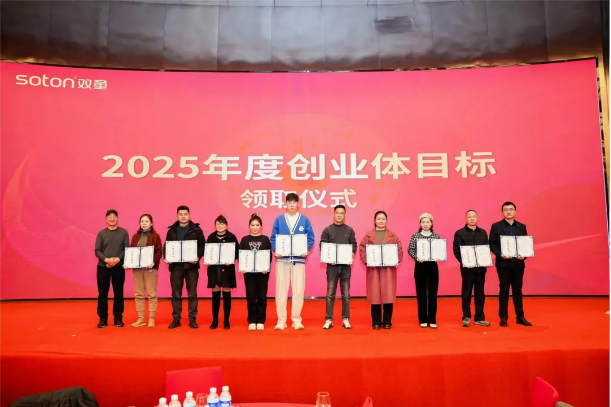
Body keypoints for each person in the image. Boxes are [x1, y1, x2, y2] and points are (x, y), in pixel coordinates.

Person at [270, 193, 315, 330]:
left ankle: (296, 319)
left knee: (298, 289)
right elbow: (273, 238)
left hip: (298, 260)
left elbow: (310, 238)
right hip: (282, 260)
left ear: (297, 204)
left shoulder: (304, 219)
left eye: (294, 202)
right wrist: (276, 250)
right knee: (281, 290)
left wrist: (305, 250)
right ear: (286, 204)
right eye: (289, 202)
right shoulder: (279, 220)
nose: (291, 205)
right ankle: (281, 320)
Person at [489, 201, 532, 327]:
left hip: (518, 264)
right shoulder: (496, 226)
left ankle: (520, 316)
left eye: (511, 209)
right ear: (502, 212)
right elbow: (492, 244)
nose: (508, 211)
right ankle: (503, 317)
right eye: (506, 210)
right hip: (503, 264)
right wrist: (501, 254)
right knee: (504, 290)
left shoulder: (521, 227)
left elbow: (525, 244)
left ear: (515, 211)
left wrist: (524, 255)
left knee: (518, 291)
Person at [358, 211, 404, 330]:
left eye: (383, 219)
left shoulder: (393, 236)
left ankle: (387, 321)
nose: (381, 221)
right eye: (378, 219)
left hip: (388, 270)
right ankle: (376, 321)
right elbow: (362, 249)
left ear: (386, 220)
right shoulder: (368, 236)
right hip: (373, 270)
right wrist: (367, 261)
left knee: (388, 295)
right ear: (374, 220)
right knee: (375, 296)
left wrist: (395, 260)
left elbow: (399, 250)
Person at [164, 205, 206, 329]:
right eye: (180, 214)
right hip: (176, 267)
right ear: (177, 216)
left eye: (185, 214)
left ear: (189, 215)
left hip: (191, 267)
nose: (183, 216)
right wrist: (167, 257)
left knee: (192, 294)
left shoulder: (196, 229)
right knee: (176, 294)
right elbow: (167, 246)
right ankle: (176, 319)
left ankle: (192, 319)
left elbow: (203, 246)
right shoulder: (172, 230)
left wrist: (197, 257)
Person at [320, 205, 357, 330]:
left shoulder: (349, 230)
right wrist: (329, 259)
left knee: (346, 295)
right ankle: (328, 319)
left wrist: (350, 256)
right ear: (334, 214)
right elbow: (323, 246)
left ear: (345, 215)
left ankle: (345, 319)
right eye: (337, 213)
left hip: (346, 267)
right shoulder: (327, 229)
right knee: (330, 294)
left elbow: (354, 245)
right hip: (332, 267)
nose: (339, 215)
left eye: (342, 213)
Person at [452, 210, 491, 327]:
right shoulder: (460, 233)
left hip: (480, 269)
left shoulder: (483, 232)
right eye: (470, 217)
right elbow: (457, 250)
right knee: (466, 292)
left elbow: (486, 249)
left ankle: (479, 317)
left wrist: (485, 261)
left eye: (474, 216)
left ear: (477, 218)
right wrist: (465, 262)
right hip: (467, 269)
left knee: (480, 292)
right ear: (466, 219)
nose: (472, 219)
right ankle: (466, 316)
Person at [94, 209, 130, 328]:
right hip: (103, 267)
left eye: (114, 216)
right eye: (110, 217)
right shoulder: (101, 233)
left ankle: (118, 318)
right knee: (102, 293)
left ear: (117, 219)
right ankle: (103, 319)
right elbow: (97, 250)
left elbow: (126, 249)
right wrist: (107, 260)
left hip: (118, 267)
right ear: (106, 220)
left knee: (118, 293)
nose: (112, 219)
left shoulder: (123, 232)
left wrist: (117, 260)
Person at [127, 214, 163, 328]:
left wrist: (153, 262)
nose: (144, 223)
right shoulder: (135, 236)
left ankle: (151, 318)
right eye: (142, 221)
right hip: (137, 269)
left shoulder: (155, 236)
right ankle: (141, 318)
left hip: (150, 268)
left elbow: (159, 251)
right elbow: (131, 252)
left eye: (146, 221)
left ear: (151, 223)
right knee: (138, 294)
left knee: (151, 294)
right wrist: (128, 263)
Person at [239, 213, 273, 331]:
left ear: (261, 226)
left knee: (262, 297)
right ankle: (252, 320)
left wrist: (266, 267)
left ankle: (261, 320)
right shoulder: (244, 239)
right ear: (249, 226)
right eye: (252, 225)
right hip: (249, 274)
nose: (255, 227)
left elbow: (269, 256)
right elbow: (241, 255)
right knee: (251, 296)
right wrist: (243, 267)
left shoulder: (265, 239)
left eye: (257, 225)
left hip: (262, 273)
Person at [407, 213, 441, 329]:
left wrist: (439, 256)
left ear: (431, 223)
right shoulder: (415, 236)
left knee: (432, 293)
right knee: (421, 293)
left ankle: (432, 319)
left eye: (427, 222)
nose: (425, 224)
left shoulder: (436, 236)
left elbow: (439, 250)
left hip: (432, 267)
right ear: (420, 223)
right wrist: (417, 258)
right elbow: (410, 249)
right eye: (423, 222)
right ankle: (422, 319)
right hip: (420, 266)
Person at [206, 215, 240, 330]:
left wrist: (231, 259)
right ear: (215, 226)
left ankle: (226, 321)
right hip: (214, 270)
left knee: (226, 296)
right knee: (215, 296)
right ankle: (215, 320)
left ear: (226, 225)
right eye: (217, 224)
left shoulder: (232, 237)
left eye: (222, 224)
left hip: (227, 270)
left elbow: (237, 253)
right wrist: (208, 260)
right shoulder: (211, 237)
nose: (220, 226)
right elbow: (208, 252)